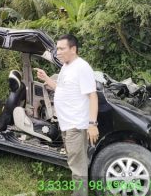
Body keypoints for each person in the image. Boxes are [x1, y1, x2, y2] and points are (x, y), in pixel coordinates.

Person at [35, 34, 99, 196]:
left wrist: (92, 124)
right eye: (57, 49)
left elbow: (93, 96)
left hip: (76, 125)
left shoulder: (82, 67)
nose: (58, 52)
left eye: (62, 48)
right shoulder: (66, 66)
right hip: (67, 124)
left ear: (73, 49)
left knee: (77, 165)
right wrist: (46, 78)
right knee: (75, 162)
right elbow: (62, 89)